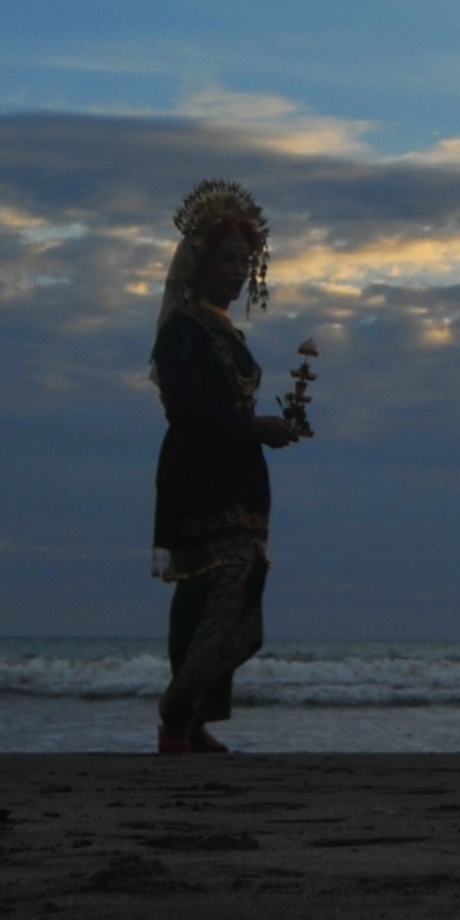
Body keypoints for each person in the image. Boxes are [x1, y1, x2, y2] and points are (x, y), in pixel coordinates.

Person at [151, 180, 304, 754]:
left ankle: (187, 720)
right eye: (228, 259)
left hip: (241, 479)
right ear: (199, 261)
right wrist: (253, 428)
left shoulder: (223, 331)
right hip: (201, 480)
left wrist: (264, 427)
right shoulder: (182, 331)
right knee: (211, 600)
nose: (239, 271)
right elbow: (188, 410)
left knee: (237, 609)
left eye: (247, 261)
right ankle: (177, 714)